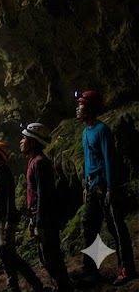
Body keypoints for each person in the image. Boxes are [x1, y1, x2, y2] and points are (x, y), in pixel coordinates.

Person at [76, 90, 136, 286]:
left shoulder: (102, 130)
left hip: (105, 184)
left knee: (116, 226)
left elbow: (109, 160)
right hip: (92, 186)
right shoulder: (85, 132)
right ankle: (90, 270)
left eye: (81, 105)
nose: (77, 109)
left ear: (90, 108)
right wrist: (86, 184)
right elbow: (88, 160)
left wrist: (111, 187)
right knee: (89, 226)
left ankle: (127, 268)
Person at [0, 138, 45, 292]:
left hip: (3, 219)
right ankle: (14, 283)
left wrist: (10, 220)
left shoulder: (4, 172)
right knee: (2, 253)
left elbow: (10, 198)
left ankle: (31, 283)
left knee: (9, 253)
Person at [20, 122, 72, 291]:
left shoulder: (40, 163)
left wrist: (40, 223)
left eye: (24, 139)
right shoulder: (34, 161)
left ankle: (64, 286)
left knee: (51, 256)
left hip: (45, 218)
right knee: (45, 256)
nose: (21, 142)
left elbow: (44, 195)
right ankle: (61, 285)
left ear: (33, 142)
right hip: (38, 216)